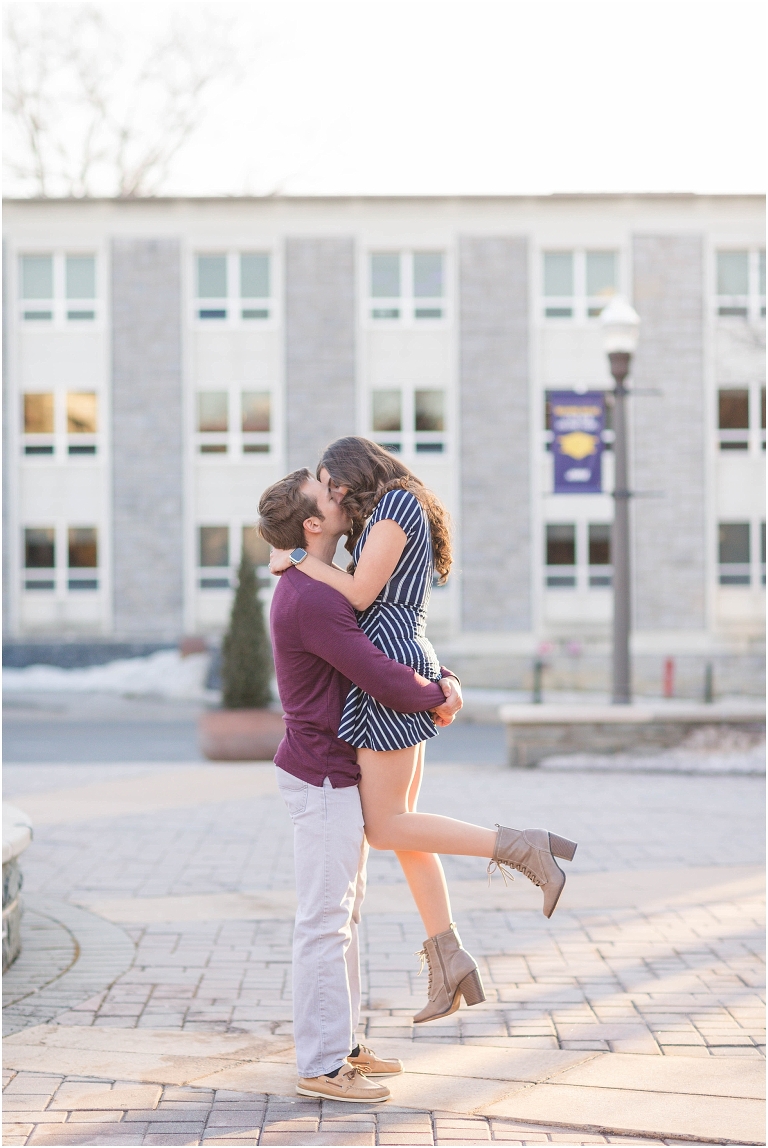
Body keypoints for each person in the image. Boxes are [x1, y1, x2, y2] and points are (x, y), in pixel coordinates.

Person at [269, 437, 578, 1026]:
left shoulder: (394, 505)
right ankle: (449, 957)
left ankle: (523, 847)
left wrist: (302, 560)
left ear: (358, 470)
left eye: (334, 482)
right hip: (396, 655)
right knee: (405, 828)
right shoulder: (388, 511)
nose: (333, 494)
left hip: (387, 664)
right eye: (326, 489)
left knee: (387, 827)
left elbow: (363, 594)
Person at [257, 467, 464, 1105]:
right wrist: (440, 694)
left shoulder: (318, 584)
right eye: (327, 493)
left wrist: (441, 678)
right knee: (324, 921)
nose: (341, 494)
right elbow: (375, 671)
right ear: (313, 524)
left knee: (341, 917)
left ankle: (341, 1045)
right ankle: (322, 1065)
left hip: (333, 773)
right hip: (321, 775)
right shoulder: (313, 598)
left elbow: (386, 642)